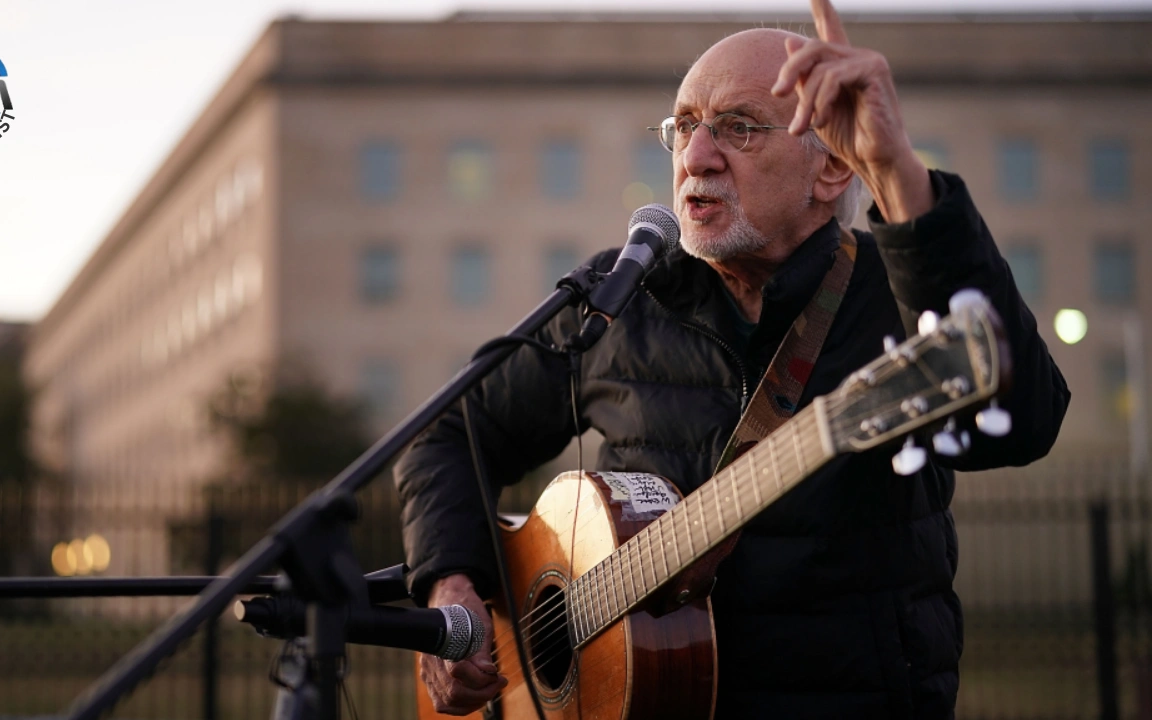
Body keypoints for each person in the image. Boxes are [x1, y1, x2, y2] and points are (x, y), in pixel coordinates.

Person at [395, 1, 1070, 717]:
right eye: (684, 127)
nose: (694, 159)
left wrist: (896, 169)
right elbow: (447, 433)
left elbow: (1025, 420)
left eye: (738, 128)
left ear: (834, 166)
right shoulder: (619, 297)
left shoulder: (901, 289)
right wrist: (452, 587)